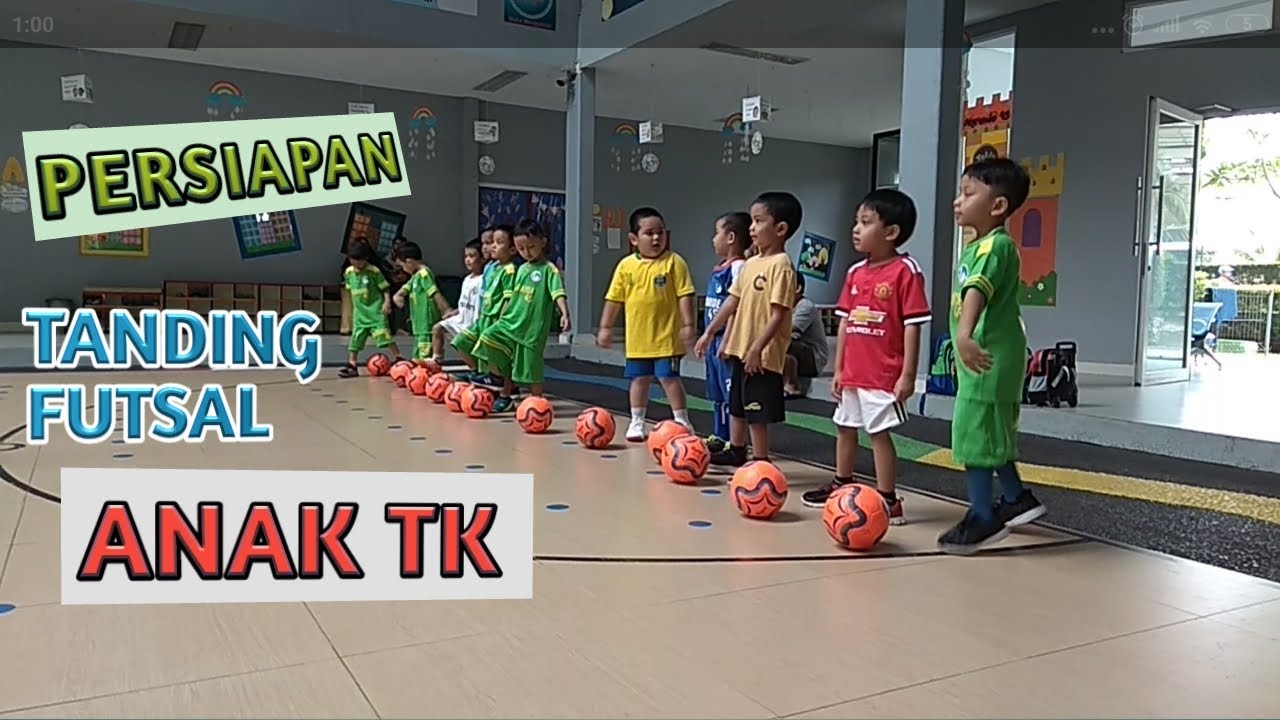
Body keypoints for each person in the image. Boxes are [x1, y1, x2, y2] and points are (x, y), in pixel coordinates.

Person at [799, 189, 930, 525]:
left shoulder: (906, 271)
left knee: (878, 434)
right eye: (856, 221)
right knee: (844, 426)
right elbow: (844, 323)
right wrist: (838, 368)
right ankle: (842, 483)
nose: (856, 228)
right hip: (853, 372)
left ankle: (889, 499)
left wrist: (908, 375)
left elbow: (913, 326)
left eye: (865, 222)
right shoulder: (855, 272)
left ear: (891, 232)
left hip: (883, 374)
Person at [941, 157, 1047, 555]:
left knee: (974, 435)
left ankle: (983, 516)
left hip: (985, 357)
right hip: (991, 358)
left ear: (998, 206)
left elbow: (977, 291)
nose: (958, 201)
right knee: (992, 432)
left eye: (968, 194)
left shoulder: (992, 246)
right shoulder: (983, 244)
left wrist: (964, 335)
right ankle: (1018, 497)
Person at [695, 191, 802, 467]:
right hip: (741, 351)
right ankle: (737, 450)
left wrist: (757, 349)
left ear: (780, 229)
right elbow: (732, 301)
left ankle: (761, 460)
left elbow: (779, 314)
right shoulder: (751, 264)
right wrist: (710, 333)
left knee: (756, 411)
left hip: (762, 356)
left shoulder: (781, 266)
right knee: (737, 405)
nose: (751, 228)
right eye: (752, 221)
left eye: (758, 221)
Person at [597, 207, 698, 441]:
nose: (656, 238)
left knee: (669, 379)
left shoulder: (674, 262)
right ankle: (637, 421)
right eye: (649, 233)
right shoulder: (625, 266)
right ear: (634, 239)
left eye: (660, 232)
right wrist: (605, 327)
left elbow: (685, 295)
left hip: (667, 339)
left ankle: (681, 419)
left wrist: (688, 325)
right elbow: (614, 299)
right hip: (638, 340)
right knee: (639, 380)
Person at [472, 219, 572, 412]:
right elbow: (514, 297)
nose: (526, 252)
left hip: (531, 331)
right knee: (487, 338)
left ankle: (537, 404)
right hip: (511, 323)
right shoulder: (522, 269)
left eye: (531, 247)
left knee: (531, 370)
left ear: (542, 242)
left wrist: (565, 313)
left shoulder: (549, 270)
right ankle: (496, 378)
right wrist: (504, 314)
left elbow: (557, 292)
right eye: (520, 248)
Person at [701, 211, 750, 453]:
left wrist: (727, 340)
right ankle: (719, 435)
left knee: (731, 394)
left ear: (730, 237)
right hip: (714, 342)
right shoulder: (720, 268)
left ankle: (735, 439)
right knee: (717, 392)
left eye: (717, 232)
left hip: (725, 343)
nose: (713, 238)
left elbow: (736, 306)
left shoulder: (739, 268)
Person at [452, 226, 518, 382]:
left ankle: (502, 385)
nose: (491, 246)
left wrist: (502, 319)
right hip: (484, 317)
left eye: (497, 242)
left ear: (512, 249)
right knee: (461, 341)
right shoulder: (492, 267)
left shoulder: (510, 270)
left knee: (495, 354)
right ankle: (478, 374)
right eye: (490, 242)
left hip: (495, 318)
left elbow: (508, 299)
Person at [338, 239, 402, 377]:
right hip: (360, 314)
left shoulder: (374, 271)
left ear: (366, 258)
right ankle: (352, 365)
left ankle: (399, 359)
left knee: (384, 336)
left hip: (375, 312)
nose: (356, 263)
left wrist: (386, 303)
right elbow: (350, 290)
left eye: (359, 260)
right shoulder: (349, 272)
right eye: (353, 260)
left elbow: (385, 288)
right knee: (356, 340)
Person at [392, 240, 453, 362]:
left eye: (403, 266)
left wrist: (445, 310)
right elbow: (406, 288)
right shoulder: (416, 276)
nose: (403, 270)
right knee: (417, 355)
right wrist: (397, 296)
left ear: (409, 262)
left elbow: (434, 292)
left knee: (425, 355)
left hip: (426, 323)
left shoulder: (424, 274)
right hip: (419, 325)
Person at [432, 238, 485, 365]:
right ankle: (436, 360)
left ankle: (474, 370)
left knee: (460, 344)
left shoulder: (484, 279)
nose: (467, 259)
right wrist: (454, 312)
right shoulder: (466, 279)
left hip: (473, 323)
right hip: (461, 319)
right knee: (437, 328)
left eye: (472, 256)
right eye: (466, 256)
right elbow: (465, 303)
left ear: (483, 258)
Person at [782, 273, 831, 399]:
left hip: (814, 357)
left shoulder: (805, 306)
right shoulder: (784, 307)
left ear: (797, 288)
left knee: (779, 341)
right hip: (799, 350)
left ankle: (792, 385)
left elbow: (787, 330)